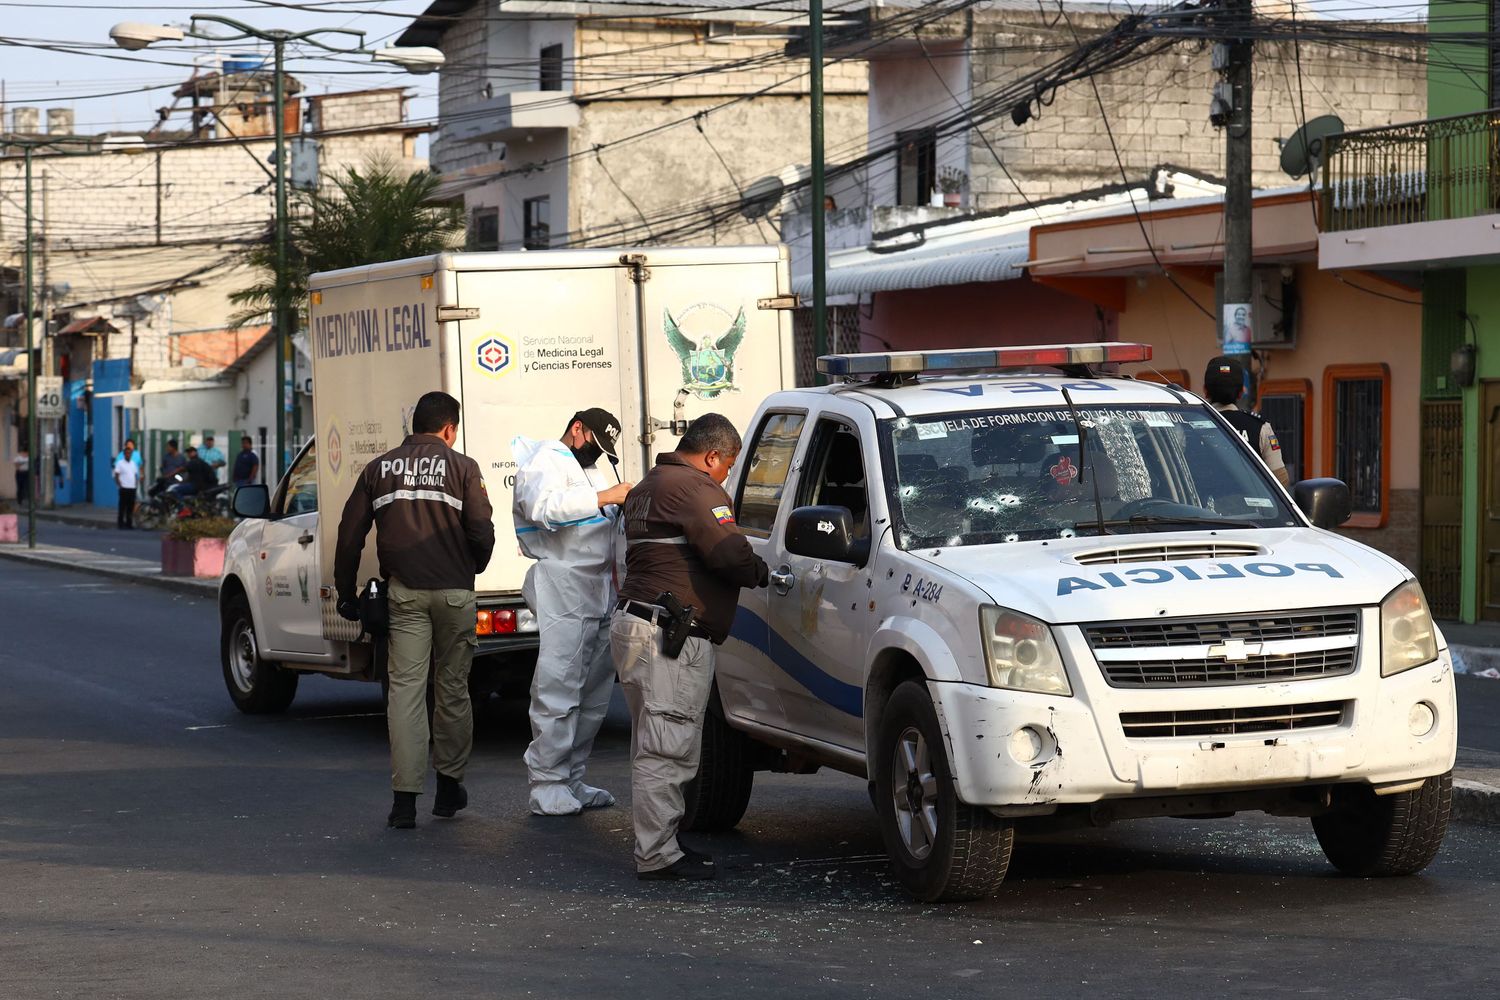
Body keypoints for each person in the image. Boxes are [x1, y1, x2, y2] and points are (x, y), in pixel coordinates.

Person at [610, 413, 769, 880]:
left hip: (638, 625)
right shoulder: (696, 489)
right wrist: (760, 571)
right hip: (670, 635)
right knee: (667, 743)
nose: (727, 475)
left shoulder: (647, 487)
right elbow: (729, 553)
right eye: (728, 464)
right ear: (712, 455)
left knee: (653, 738)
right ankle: (658, 855)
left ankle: (661, 842)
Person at [333, 391, 495, 829]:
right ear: (449, 429)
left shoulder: (378, 469)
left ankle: (404, 803)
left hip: (404, 596)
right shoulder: (464, 468)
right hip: (455, 595)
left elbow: (350, 536)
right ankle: (448, 789)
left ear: (413, 425)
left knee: (405, 694)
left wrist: (345, 592)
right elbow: (481, 529)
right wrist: (471, 566)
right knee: (453, 690)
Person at [512, 408, 634, 816]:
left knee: (594, 695)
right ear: (576, 428)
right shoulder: (546, 459)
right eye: (594, 444)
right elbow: (541, 509)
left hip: (599, 589)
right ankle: (546, 783)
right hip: (564, 586)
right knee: (558, 687)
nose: (596, 455)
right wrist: (606, 497)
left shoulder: (589, 469)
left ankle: (572, 778)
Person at [1204, 355, 1290, 487]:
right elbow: (1281, 480)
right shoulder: (1261, 428)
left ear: (1206, 391)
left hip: (1201, 506)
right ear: (1241, 392)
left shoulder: (1188, 427)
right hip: (1252, 507)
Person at [113, 441, 140, 529]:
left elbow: (135, 475)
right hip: (124, 488)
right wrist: (119, 484)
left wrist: (135, 484)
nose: (128, 455)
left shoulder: (133, 464)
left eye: (130, 453)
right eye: (127, 453)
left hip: (132, 488)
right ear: (124, 454)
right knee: (122, 507)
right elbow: (116, 475)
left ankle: (129, 523)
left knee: (130, 507)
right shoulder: (120, 463)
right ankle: (120, 523)